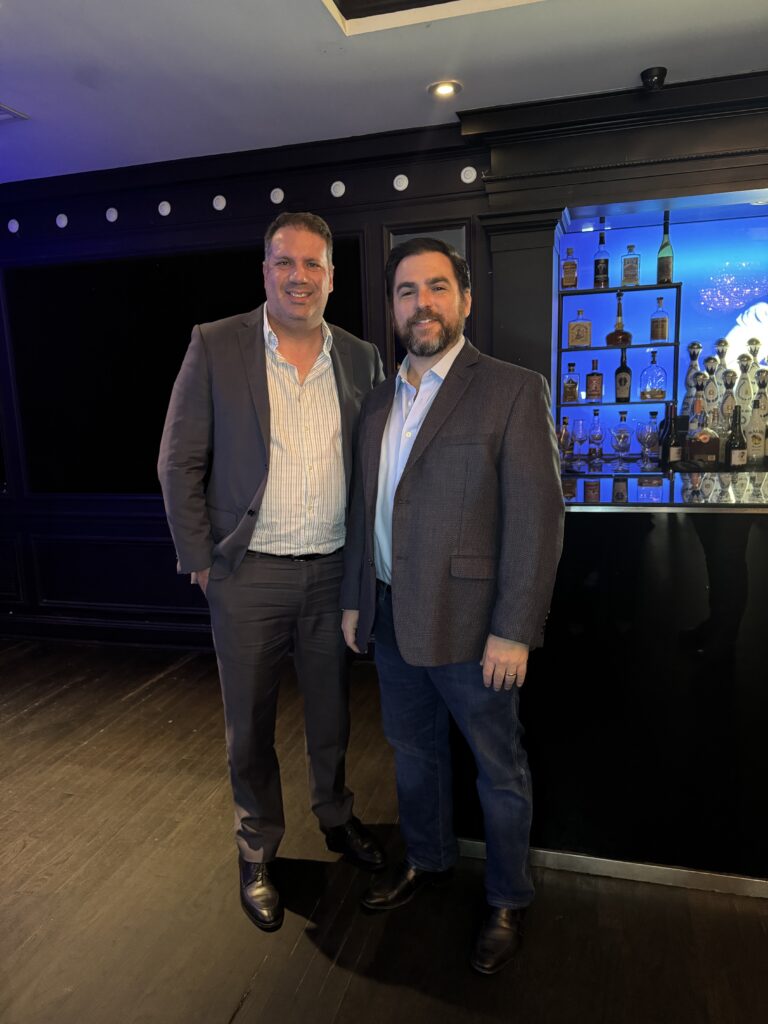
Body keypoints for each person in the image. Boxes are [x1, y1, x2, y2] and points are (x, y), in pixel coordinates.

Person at [340, 237, 564, 974]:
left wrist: (514, 629)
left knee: (498, 769)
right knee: (412, 757)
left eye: (437, 287)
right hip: (390, 617)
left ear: (465, 299)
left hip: (476, 630)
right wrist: (355, 600)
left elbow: (537, 521)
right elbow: (365, 508)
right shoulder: (377, 401)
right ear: (392, 307)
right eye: (407, 291)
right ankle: (428, 860)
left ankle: (508, 897)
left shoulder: (511, 390)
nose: (422, 303)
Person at [158, 212, 386, 933]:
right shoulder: (215, 344)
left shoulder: (362, 359)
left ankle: (335, 815)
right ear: (264, 272)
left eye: (313, 264)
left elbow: (374, 472)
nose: (298, 276)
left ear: (331, 277)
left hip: (331, 572)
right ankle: (256, 848)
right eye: (284, 262)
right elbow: (177, 461)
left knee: (332, 715)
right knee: (249, 726)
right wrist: (200, 558)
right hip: (247, 576)